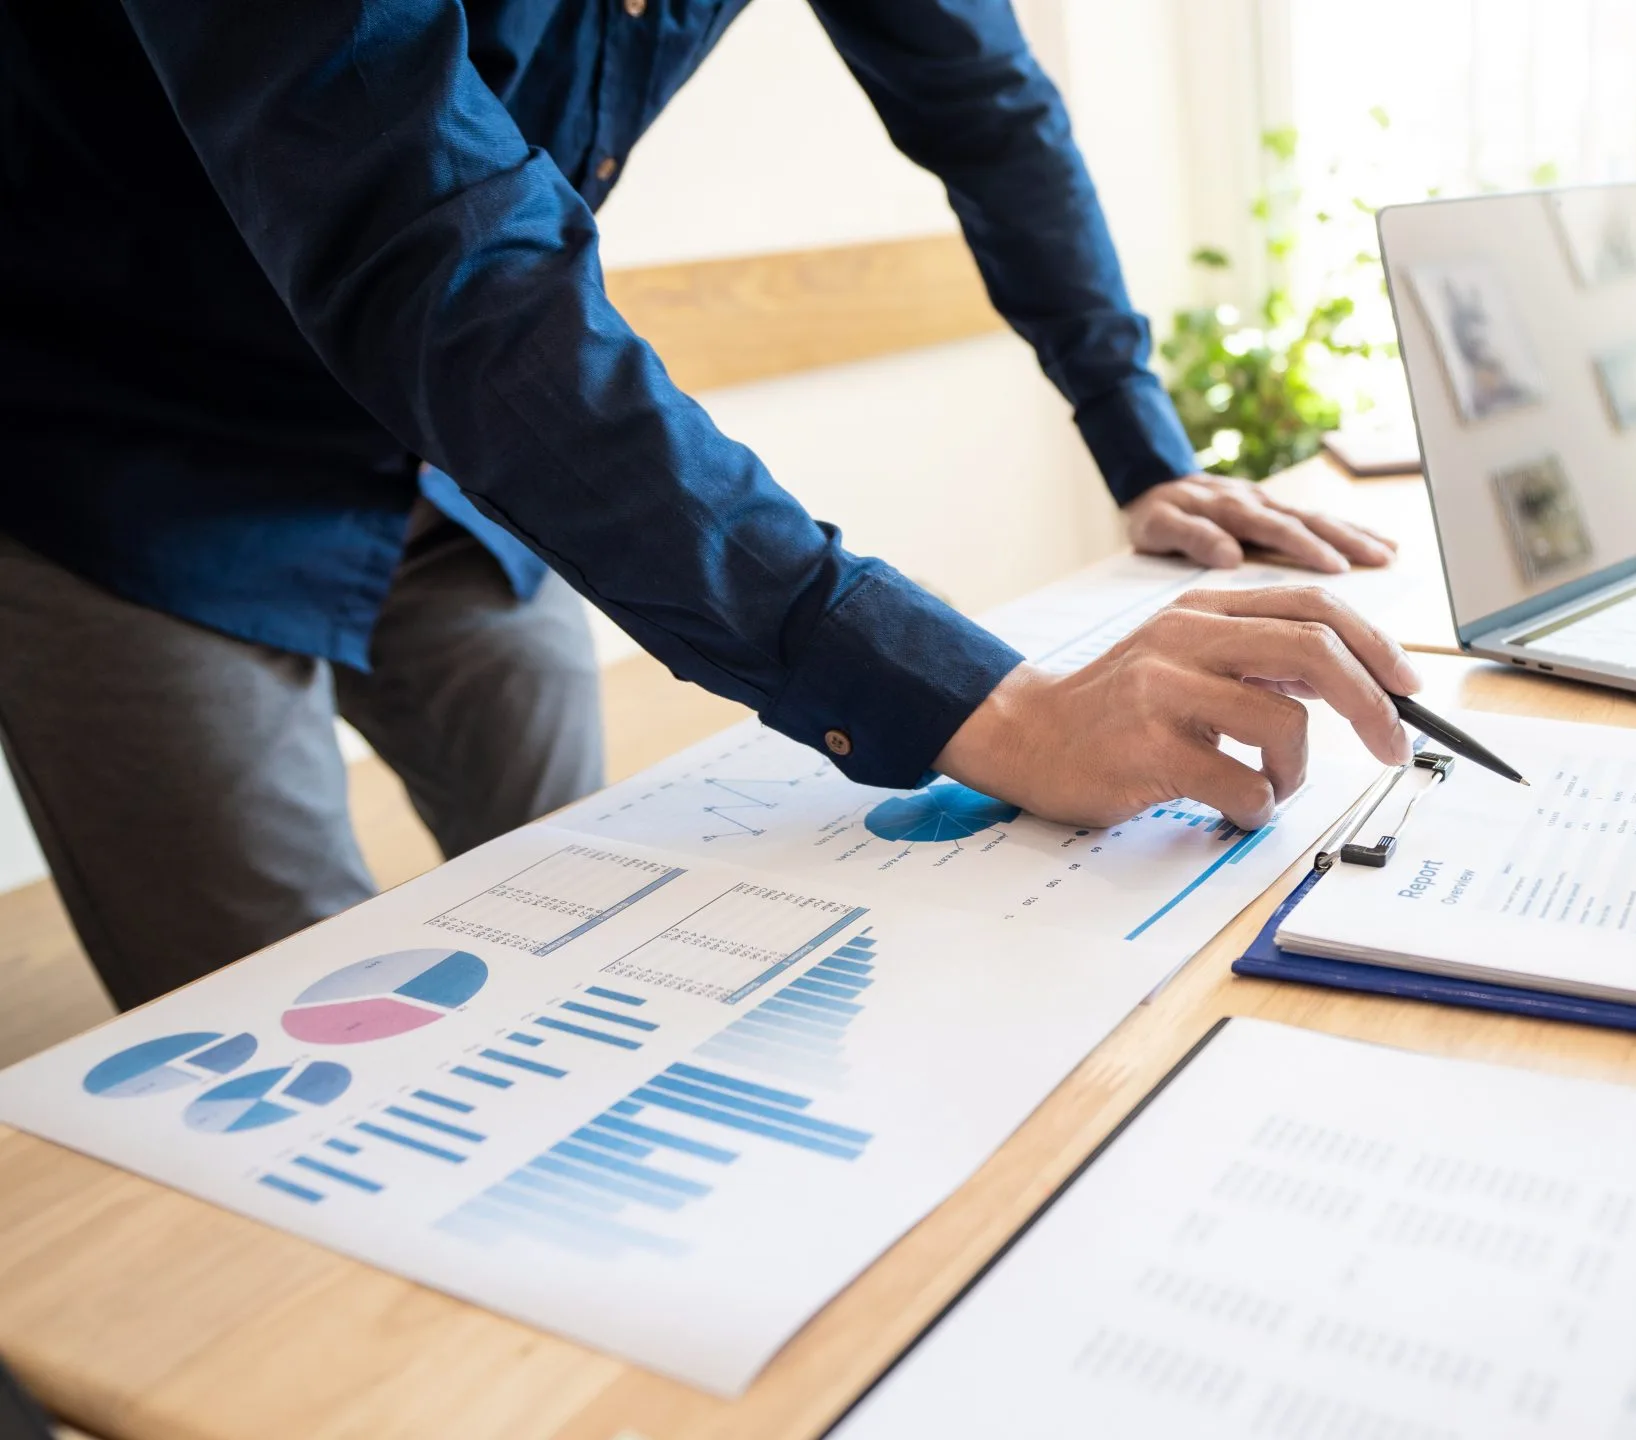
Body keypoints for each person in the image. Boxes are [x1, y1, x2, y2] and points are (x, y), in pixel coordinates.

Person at [0, 0, 1410, 1012]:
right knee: (277, 1027)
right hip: (137, 460)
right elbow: (432, 241)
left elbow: (991, 112)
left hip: (477, 474)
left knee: (606, 937)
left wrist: (1139, 442)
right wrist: (997, 709)